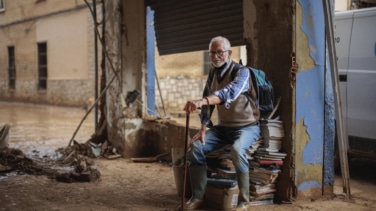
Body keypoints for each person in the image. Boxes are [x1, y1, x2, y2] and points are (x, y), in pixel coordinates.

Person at [181, 36, 260, 210]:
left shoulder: (242, 72)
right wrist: (202, 128)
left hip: (247, 127)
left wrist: (203, 101)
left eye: (219, 52)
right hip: (223, 128)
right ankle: (197, 197)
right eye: (212, 53)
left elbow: (228, 93)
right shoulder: (212, 73)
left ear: (229, 53)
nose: (215, 56)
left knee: (238, 150)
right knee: (196, 148)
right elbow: (207, 103)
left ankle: (244, 201)